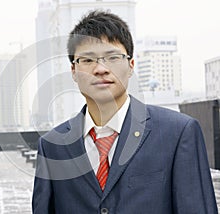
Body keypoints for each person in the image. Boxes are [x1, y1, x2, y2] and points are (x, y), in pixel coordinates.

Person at [32, 10, 218, 213]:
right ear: (73, 72)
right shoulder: (52, 146)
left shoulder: (178, 133)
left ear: (131, 66)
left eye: (112, 57)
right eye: (87, 60)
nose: (100, 69)